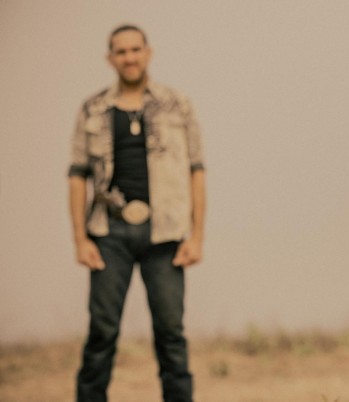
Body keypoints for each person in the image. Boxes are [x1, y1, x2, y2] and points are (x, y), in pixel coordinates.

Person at [68, 24, 205, 402]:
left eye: (135, 49)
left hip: (164, 232)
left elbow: (196, 169)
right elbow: (77, 174)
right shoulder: (93, 108)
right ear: (110, 58)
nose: (129, 57)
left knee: (171, 334)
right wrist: (80, 239)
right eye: (121, 51)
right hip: (108, 233)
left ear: (148, 52)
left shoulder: (177, 104)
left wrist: (196, 236)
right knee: (102, 332)